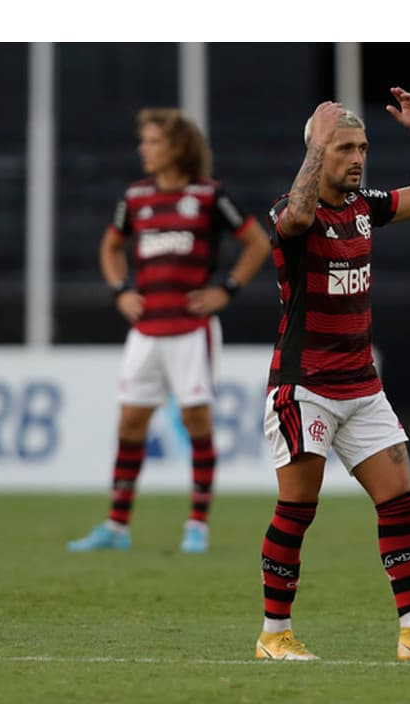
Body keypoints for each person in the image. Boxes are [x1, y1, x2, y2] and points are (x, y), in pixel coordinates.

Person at [255, 88, 410, 661]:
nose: (357, 158)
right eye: (344, 148)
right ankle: (273, 635)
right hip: (305, 387)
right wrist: (315, 144)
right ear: (318, 155)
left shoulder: (363, 206)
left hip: (361, 385)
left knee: (399, 499)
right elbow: (300, 215)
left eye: (362, 147)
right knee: (299, 509)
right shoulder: (289, 211)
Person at [67, 107, 271, 554]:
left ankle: (197, 523)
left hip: (190, 329)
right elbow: (111, 246)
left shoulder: (208, 195)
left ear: (177, 147)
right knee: (130, 421)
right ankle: (116, 526)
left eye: (153, 141)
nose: (144, 148)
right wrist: (121, 290)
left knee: (194, 419)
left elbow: (258, 241)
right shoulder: (136, 197)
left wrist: (228, 289)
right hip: (146, 329)